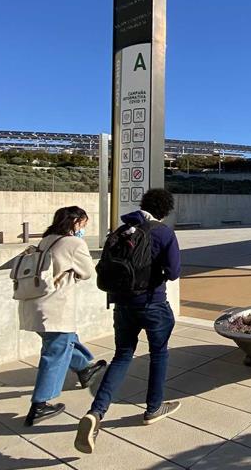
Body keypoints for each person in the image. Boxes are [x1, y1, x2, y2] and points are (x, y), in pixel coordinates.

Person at [75, 188, 181, 454]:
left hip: (122, 304)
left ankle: (96, 412)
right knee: (159, 354)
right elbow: (174, 272)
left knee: (122, 356)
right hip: (152, 303)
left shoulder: (123, 229)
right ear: (165, 210)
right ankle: (154, 408)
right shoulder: (163, 232)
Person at [19, 206, 107, 427]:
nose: (83, 229)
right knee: (55, 352)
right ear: (75, 222)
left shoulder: (46, 240)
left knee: (65, 341)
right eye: (83, 224)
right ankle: (40, 405)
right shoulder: (73, 243)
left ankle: (85, 368)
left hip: (34, 306)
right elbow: (87, 272)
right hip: (54, 308)